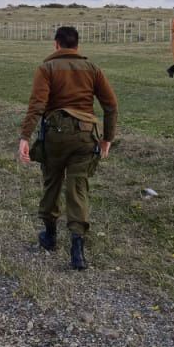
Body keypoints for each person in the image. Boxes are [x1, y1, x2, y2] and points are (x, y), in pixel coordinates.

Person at [18, 26, 118, 270]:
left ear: (56, 44)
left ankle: (50, 237)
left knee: (52, 182)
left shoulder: (46, 68)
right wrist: (107, 138)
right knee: (78, 188)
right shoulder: (93, 69)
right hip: (86, 136)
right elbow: (111, 106)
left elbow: (37, 105)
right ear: (77, 46)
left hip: (56, 136)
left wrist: (25, 137)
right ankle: (77, 249)